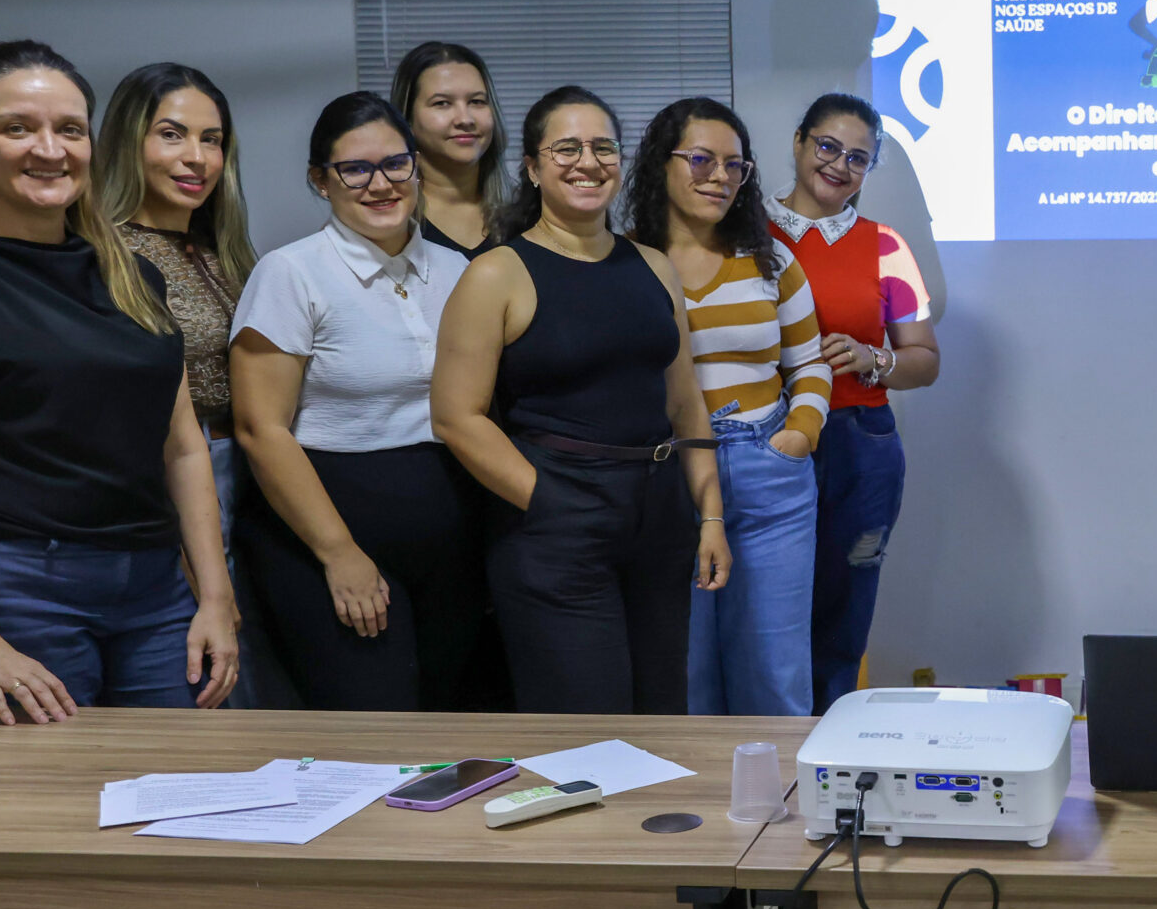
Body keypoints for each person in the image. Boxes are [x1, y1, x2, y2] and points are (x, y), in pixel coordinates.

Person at [0, 40, 239, 721]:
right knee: (40, 807)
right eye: (18, 127)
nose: (50, 149)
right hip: (8, 586)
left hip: (155, 585)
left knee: (183, 789)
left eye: (69, 129)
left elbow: (185, 447)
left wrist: (216, 596)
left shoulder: (134, 278)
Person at [432, 85, 730, 714]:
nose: (588, 162)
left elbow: (685, 403)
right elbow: (456, 417)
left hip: (658, 515)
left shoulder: (653, 266)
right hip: (556, 521)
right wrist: (548, 501)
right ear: (533, 168)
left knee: (661, 715)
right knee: (587, 729)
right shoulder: (497, 272)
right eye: (566, 147)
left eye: (603, 147)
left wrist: (709, 514)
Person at [228, 93, 486, 711]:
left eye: (396, 164)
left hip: (451, 534)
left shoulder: (459, 271)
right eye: (355, 169)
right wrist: (339, 554)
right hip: (333, 532)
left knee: (460, 720)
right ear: (321, 180)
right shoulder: (292, 274)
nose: (381, 184)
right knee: (377, 727)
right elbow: (261, 429)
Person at [626, 97, 833, 716]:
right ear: (660, 164)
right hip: (669, 477)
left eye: (735, 166)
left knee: (774, 674)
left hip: (770, 474)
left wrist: (798, 434)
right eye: (701, 160)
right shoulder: (624, 262)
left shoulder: (770, 258)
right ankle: (703, 813)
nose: (719, 177)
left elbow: (811, 363)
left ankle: (784, 813)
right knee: (684, 676)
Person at [769, 94, 940, 712]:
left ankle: (829, 737)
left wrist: (878, 361)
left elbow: (925, 358)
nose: (840, 165)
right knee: (766, 601)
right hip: (765, 440)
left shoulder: (885, 246)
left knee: (843, 603)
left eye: (859, 158)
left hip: (859, 444)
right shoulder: (740, 233)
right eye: (828, 147)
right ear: (798, 142)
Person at [95, 63, 257, 538]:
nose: (198, 157)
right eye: (172, 135)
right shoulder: (105, 257)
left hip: (252, 469)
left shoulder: (227, 253)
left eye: (212, 139)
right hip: (166, 474)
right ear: (129, 142)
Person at [392, 41, 507, 260]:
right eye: (442, 103)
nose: (465, 119)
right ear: (407, 118)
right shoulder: (386, 220)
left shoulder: (526, 217)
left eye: (476, 101)